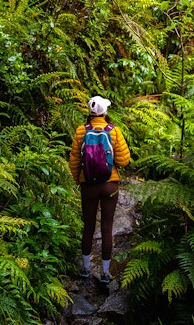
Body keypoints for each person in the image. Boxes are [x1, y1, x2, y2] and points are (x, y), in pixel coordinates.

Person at [69, 95, 130, 283]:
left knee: (88, 227)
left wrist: (80, 180)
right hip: (109, 185)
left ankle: (85, 269)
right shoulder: (114, 131)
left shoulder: (81, 131)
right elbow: (123, 160)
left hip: (88, 185)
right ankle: (105, 273)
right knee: (107, 228)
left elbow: (74, 161)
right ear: (105, 112)